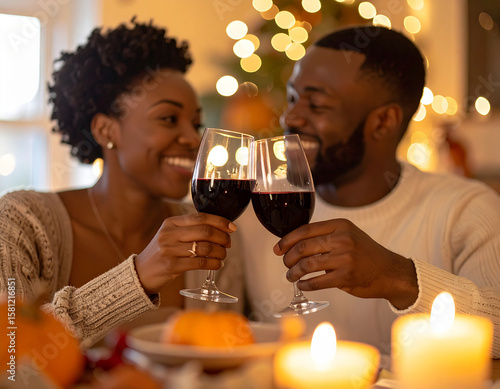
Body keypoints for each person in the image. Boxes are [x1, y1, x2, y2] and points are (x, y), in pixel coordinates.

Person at [238, 25, 500, 359]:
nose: (290, 116)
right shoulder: (254, 208)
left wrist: (398, 277)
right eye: (292, 98)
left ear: (383, 122)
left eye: (316, 105)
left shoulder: (465, 211)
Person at [0, 18, 243, 348]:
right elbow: (11, 356)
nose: (192, 138)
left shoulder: (211, 235)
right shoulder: (22, 221)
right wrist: (138, 277)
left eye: (196, 123)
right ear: (105, 130)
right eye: (169, 119)